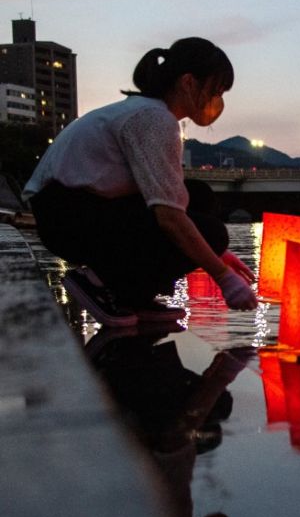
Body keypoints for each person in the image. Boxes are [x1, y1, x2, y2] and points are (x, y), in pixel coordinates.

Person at [23, 37, 258, 327]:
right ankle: (98, 283)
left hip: (69, 211)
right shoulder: (153, 119)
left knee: (198, 196)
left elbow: (170, 196)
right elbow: (169, 217)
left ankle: (133, 295)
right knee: (212, 231)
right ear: (188, 82)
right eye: (215, 90)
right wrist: (222, 274)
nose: (217, 100)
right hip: (70, 218)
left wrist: (217, 255)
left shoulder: (145, 111)